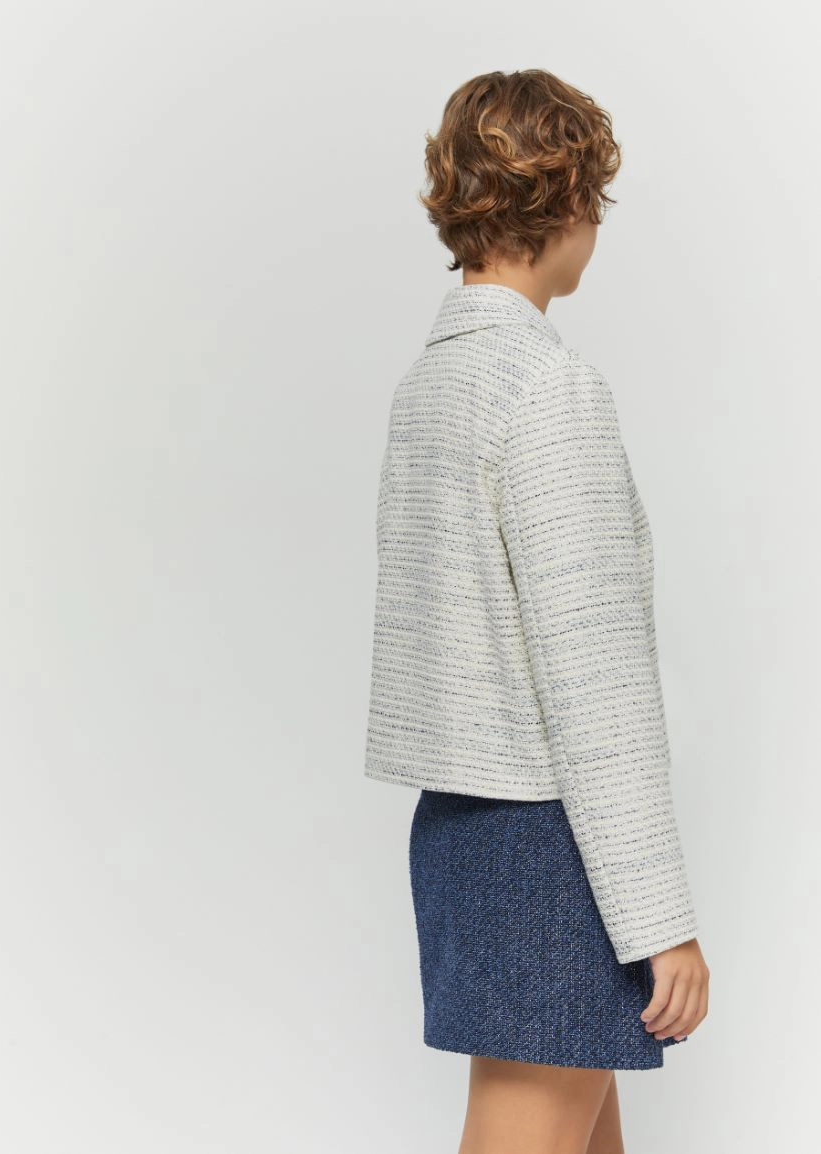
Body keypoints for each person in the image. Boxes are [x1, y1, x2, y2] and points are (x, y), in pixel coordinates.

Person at [363, 69, 710, 1153]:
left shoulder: (428, 386)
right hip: (548, 846)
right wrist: (661, 920)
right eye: (593, 199)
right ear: (565, 202)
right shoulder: (548, 389)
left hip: (461, 829)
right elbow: (593, 680)